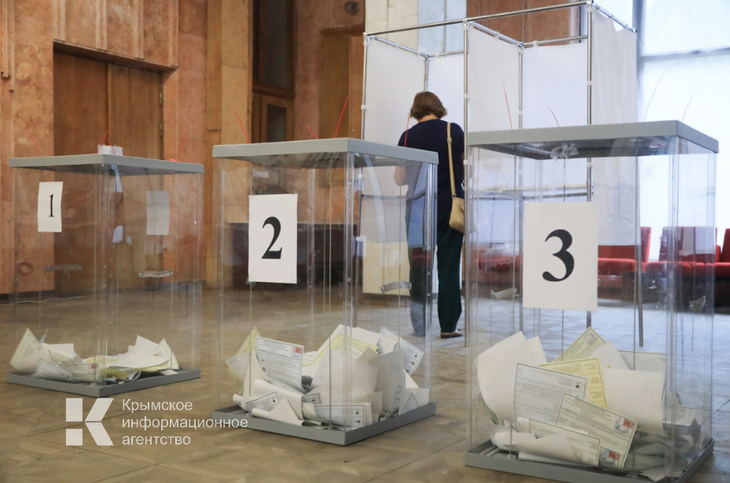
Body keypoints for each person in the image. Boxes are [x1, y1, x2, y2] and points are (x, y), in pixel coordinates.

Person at [395, 91, 464, 338]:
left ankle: (420, 326)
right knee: (449, 267)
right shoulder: (453, 131)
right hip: (449, 207)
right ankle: (448, 326)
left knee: (418, 269)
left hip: (418, 209)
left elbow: (399, 178)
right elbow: (464, 169)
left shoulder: (407, 136)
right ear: (438, 107)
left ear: (416, 111)